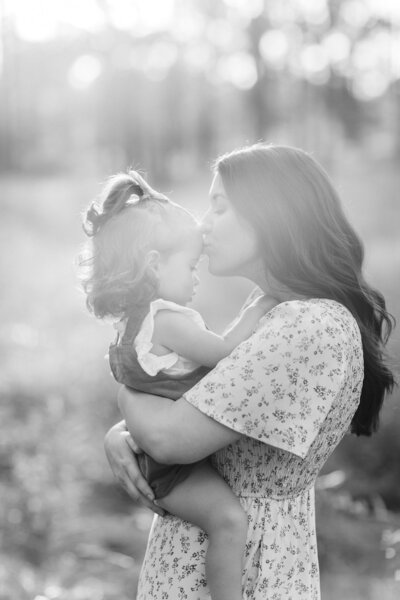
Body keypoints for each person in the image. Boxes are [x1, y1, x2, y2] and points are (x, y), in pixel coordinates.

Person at [104, 144, 395, 599]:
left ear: (270, 215)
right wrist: (122, 432)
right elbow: (210, 407)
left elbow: (169, 438)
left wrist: (126, 403)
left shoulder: (305, 326)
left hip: (246, 570)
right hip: (215, 560)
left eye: (219, 206)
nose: (203, 224)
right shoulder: (281, 314)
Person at [81, 170, 278, 600]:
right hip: (173, 467)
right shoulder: (165, 320)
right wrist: (263, 302)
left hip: (164, 457)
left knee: (223, 520)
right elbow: (228, 353)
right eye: (190, 266)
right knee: (228, 521)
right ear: (154, 264)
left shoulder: (133, 325)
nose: (195, 278)